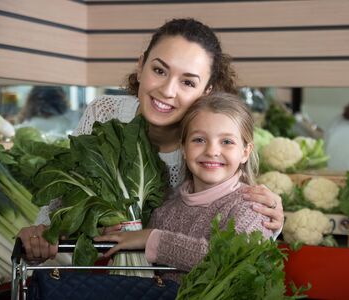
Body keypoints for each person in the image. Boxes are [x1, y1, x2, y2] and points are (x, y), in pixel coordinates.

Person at [18, 18, 283, 263]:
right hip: (95, 267)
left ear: (207, 90)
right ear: (141, 64)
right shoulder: (104, 112)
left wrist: (273, 223)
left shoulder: (202, 152)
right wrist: (42, 231)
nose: (167, 91)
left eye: (188, 83)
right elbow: (69, 187)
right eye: (159, 70)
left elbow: (221, 221)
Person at [94, 93, 273, 283]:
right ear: (184, 149)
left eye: (227, 142)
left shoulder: (252, 207)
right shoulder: (165, 210)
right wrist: (117, 239)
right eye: (199, 140)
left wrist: (151, 239)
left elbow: (231, 258)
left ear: (245, 152)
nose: (212, 151)